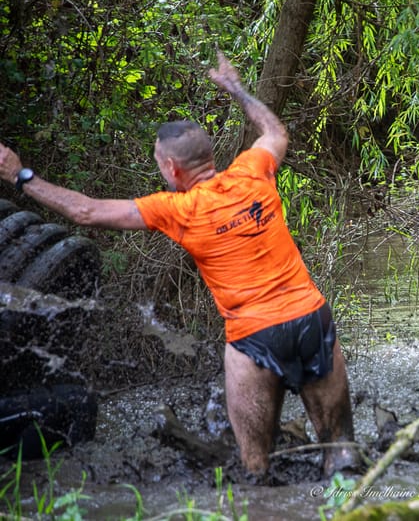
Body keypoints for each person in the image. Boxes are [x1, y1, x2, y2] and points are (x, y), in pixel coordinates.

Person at [0, 51, 359, 481]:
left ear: (171, 167)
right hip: (310, 317)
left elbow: (87, 212)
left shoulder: (178, 209)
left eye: (158, 164)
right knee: (343, 455)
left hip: (253, 337)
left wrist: (20, 176)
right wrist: (237, 89)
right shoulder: (253, 171)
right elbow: (274, 130)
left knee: (256, 472)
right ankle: (351, 508)